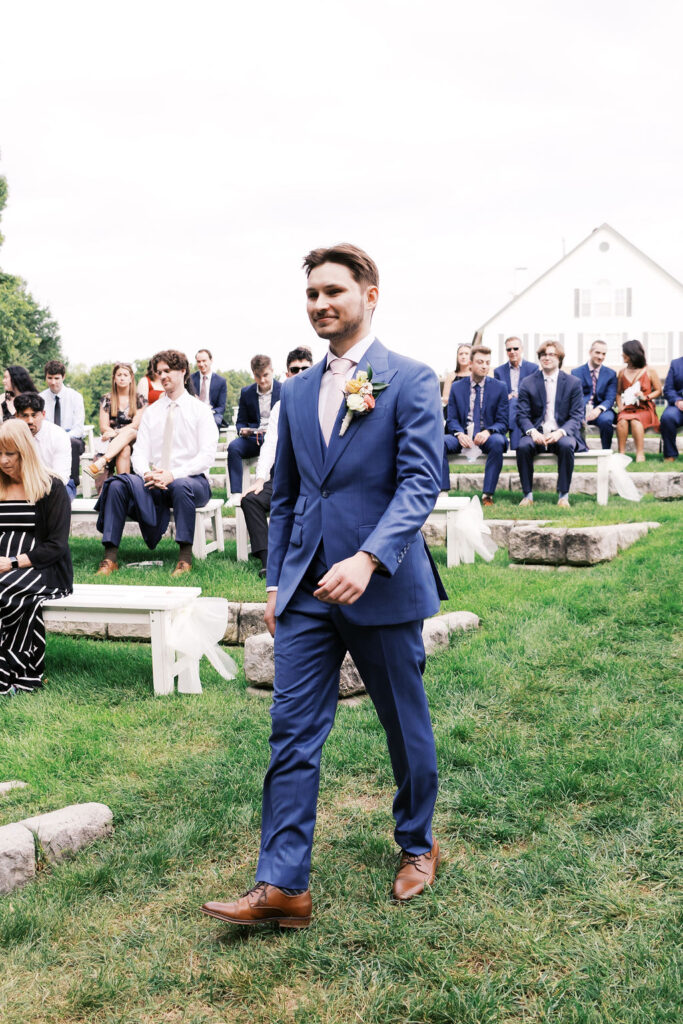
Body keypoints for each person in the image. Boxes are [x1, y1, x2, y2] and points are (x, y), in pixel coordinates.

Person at [201, 243, 446, 930]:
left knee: (403, 724)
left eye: (333, 291)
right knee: (291, 733)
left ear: (370, 295)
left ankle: (418, 842)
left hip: (381, 585)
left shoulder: (409, 379)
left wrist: (369, 558)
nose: (320, 304)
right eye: (312, 294)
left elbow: (421, 482)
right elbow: (285, 496)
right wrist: (277, 583)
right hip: (306, 589)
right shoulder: (297, 391)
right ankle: (283, 885)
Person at [94, 350, 217, 578]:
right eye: (159, 372)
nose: (162, 376)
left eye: (167, 371)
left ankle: (184, 560)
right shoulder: (152, 412)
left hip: (192, 480)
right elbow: (140, 453)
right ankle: (109, 558)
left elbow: (207, 456)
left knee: (181, 486)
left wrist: (173, 475)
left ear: (183, 371)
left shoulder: (200, 410)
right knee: (118, 484)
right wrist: (147, 474)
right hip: (155, 480)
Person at [0, 419, 72, 696]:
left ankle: (12, 668)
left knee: (6, 591)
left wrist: (12, 562)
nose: (4, 461)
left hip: (41, 565)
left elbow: (56, 544)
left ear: (25, 451)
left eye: (10, 454)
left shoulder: (51, 486)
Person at [240, 347, 313, 576]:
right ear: (288, 374)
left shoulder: (323, 402)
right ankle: (268, 560)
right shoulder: (280, 407)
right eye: (295, 369)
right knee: (250, 499)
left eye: (305, 368)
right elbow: (270, 445)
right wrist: (260, 479)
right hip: (284, 479)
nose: (300, 373)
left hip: (315, 481)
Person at [516, 340, 586, 508]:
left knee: (566, 445)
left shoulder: (573, 383)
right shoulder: (528, 382)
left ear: (559, 358)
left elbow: (577, 415)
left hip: (561, 433)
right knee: (523, 446)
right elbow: (522, 414)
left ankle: (563, 496)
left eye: (551, 354)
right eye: (543, 354)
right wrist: (533, 432)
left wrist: (560, 432)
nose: (547, 358)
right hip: (537, 432)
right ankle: (527, 495)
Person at [442, 345, 508, 505]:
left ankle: (487, 495)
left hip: (487, 436)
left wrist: (488, 432)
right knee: (439, 442)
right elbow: (451, 419)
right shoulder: (457, 387)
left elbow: (503, 422)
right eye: (480, 362)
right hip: (461, 436)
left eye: (487, 362)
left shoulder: (499, 387)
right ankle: (443, 492)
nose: (484, 366)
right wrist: (459, 434)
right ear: (471, 363)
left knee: (498, 442)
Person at [226, 355, 282, 503]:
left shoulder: (283, 390)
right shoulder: (246, 392)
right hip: (254, 438)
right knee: (233, 447)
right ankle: (236, 493)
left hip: (276, 438)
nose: (262, 380)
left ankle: (274, 491)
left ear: (272, 371)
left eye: (265, 375)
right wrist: (242, 430)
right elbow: (240, 421)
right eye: (258, 376)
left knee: (279, 449)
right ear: (253, 374)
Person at [84, 363, 147, 479]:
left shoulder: (139, 399)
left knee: (131, 431)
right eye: (119, 375)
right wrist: (115, 434)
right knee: (125, 448)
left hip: (135, 439)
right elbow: (104, 427)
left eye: (125, 375)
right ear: (114, 378)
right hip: (112, 439)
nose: (122, 378)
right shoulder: (107, 399)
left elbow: (135, 425)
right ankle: (125, 485)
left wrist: (116, 432)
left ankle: (102, 461)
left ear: (131, 378)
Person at [14, 393, 75, 500]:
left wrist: (36, 488)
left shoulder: (58, 435)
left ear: (43, 414)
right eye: (25, 416)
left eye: (34, 415)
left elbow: (61, 477)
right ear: (16, 416)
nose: (30, 421)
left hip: (54, 484)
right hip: (20, 485)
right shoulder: (11, 435)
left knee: (59, 495)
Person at [39, 360, 86, 494]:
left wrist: (61, 437)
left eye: (57, 378)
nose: (53, 382)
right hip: (47, 435)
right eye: (50, 378)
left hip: (72, 437)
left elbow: (78, 428)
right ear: (45, 377)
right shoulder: (40, 398)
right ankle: (44, 483)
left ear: (63, 377)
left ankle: (71, 485)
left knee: (73, 443)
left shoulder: (75, 397)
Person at [615, 340, 662, 462]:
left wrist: (646, 397)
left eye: (624, 352)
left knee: (636, 421)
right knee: (622, 422)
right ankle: (621, 454)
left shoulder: (649, 371)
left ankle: (640, 454)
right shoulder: (622, 372)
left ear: (632, 354)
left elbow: (658, 390)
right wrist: (620, 406)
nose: (622, 355)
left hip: (644, 408)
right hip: (628, 408)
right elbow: (618, 393)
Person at [571, 340, 618, 450]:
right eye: (597, 352)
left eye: (604, 354)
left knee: (606, 420)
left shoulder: (611, 374)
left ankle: (606, 452)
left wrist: (599, 409)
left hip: (602, 411)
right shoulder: (576, 372)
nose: (600, 357)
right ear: (590, 352)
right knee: (575, 420)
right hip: (581, 409)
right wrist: (582, 412)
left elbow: (610, 398)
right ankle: (582, 449)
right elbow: (574, 397)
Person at [493, 337, 537, 449]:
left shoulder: (533, 368)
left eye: (515, 348)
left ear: (522, 349)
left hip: (527, 407)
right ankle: (516, 447)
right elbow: (497, 394)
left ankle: (509, 441)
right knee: (513, 404)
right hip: (506, 407)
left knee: (515, 403)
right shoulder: (498, 371)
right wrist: (507, 396)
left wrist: (519, 396)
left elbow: (535, 392)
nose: (512, 352)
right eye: (509, 349)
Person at [191, 349, 227, 428]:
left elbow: (221, 407)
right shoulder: (190, 379)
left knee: (213, 421)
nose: (201, 364)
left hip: (213, 414)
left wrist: (210, 411)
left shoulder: (221, 381)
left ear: (211, 360)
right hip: (194, 412)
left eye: (204, 361)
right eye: (198, 361)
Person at [660, 355, 683, 461]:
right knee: (667, 417)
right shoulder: (676, 364)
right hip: (678, 407)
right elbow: (668, 389)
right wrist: (678, 401)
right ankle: (670, 455)